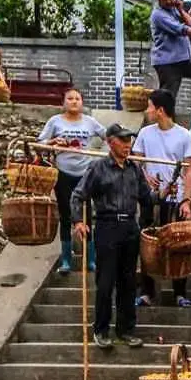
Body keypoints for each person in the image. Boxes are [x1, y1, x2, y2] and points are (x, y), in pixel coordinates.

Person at [71, 124, 154, 349]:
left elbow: (147, 199)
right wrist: (79, 221)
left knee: (128, 282)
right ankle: (101, 330)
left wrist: (149, 220)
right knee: (106, 282)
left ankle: (126, 330)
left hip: (130, 227)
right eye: (123, 140)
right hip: (107, 226)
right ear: (110, 142)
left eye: (129, 140)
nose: (128, 145)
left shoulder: (134, 169)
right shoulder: (98, 168)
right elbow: (78, 195)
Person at [133, 89, 191, 309]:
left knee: (179, 245)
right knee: (148, 244)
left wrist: (186, 200)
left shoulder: (184, 135)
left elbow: (189, 170)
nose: (148, 110)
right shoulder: (145, 134)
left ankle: (180, 292)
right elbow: (137, 162)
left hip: (175, 197)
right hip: (151, 198)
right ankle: (147, 292)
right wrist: (145, 176)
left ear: (160, 110)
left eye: (150, 106)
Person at [37, 88, 106, 274]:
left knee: (87, 213)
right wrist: (53, 143)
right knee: (66, 216)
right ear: (64, 102)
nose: (74, 101)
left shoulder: (90, 122)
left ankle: (91, 259)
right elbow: (40, 143)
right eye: (70, 98)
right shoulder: (55, 122)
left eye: (77, 98)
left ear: (82, 102)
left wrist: (101, 157)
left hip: (85, 173)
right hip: (63, 173)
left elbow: (108, 136)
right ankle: (66, 260)